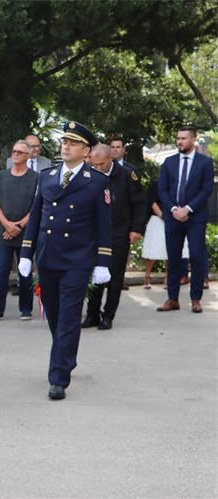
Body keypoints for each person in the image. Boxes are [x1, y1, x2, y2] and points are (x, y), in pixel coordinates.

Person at [19, 121, 112, 400]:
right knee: (55, 315)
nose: (66, 145)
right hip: (48, 257)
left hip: (77, 259)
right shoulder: (46, 177)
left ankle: (58, 376)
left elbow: (104, 225)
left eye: (73, 143)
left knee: (69, 318)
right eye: (64, 141)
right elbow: (36, 216)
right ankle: (65, 355)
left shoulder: (97, 182)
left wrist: (102, 262)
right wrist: (26, 253)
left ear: (86, 151)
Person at [82, 144, 147, 330]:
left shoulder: (126, 175)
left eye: (101, 164)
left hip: (119, 233)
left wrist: (136, 229)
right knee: (94, 275)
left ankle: (108, 315)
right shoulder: (89, 174)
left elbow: (139, 203)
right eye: (94, 164)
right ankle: (92, 314)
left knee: (115, 277)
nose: (97, 168)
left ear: (111, 159)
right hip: (95, 234)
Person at [156, 126, 215, 314]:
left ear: (193, 140)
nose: (179, 141)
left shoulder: (204, 162)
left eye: (183, 138)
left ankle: (196, 299)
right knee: (173, 259)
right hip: (173, 218)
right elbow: (162, 189)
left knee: (197, 256)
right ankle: (172, 299)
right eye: (178, 138)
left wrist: (188, 209)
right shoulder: (168, 162)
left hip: (195, 217)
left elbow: (206, 189)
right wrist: (174, 209)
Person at [0, 140, 38, 322]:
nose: (15, 154)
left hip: (25, 234)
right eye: (14, 151)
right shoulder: (1, 176)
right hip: (4, 233)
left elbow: (37, 206)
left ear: (28, 156)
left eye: (20, 152)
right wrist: (7, 224)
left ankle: (26, 309)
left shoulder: (36, 178)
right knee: (1, 271)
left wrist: (19, 225)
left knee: (25, 271)